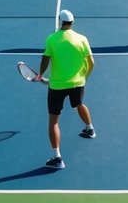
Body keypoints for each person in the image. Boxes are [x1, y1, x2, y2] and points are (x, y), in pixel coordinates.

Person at [36, 9, 96, 170]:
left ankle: (57, 158)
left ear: (59, 21)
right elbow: (91, 63)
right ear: (72, 22)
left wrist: (40, 75)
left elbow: (45, 59)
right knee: (79, 104)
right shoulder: (82, 39)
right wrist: (84, 78)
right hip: (78, 82)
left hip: (57, 86)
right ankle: (90, 129)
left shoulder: (52, 39)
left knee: (53, 121)